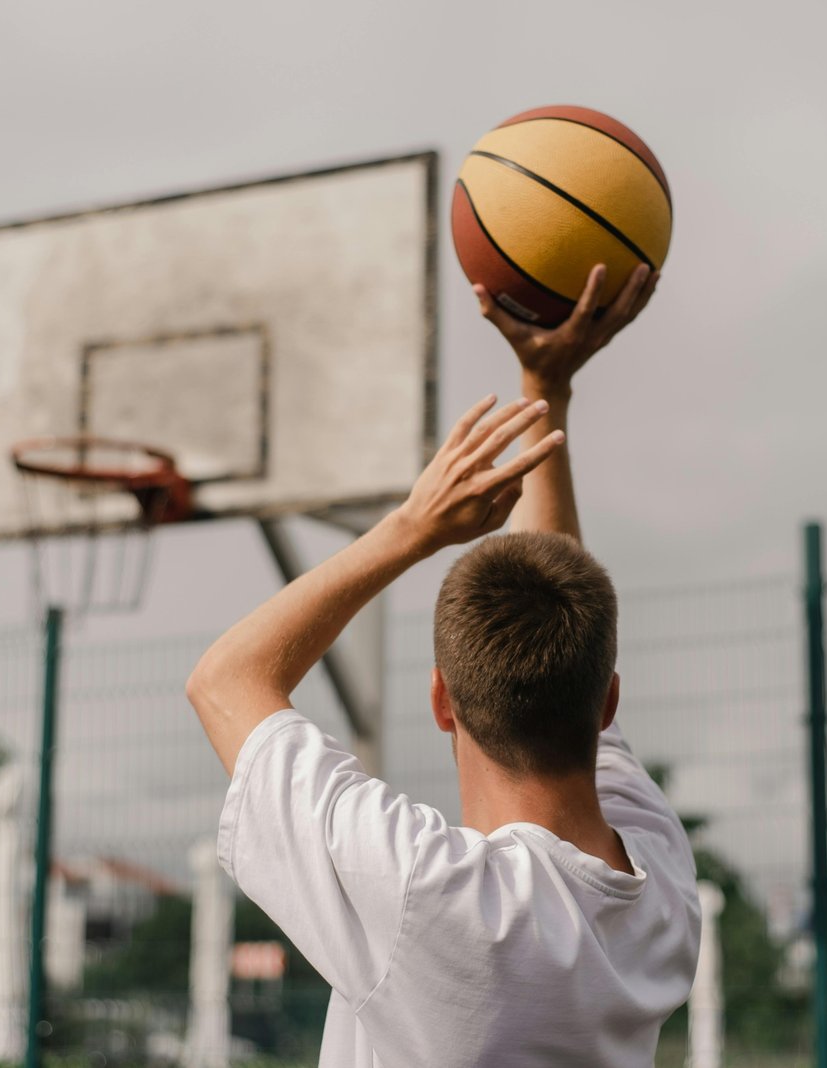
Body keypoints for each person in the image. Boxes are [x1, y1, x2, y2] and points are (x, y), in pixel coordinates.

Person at [186, 262, 700, 1067]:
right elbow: (560, 599)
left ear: (442, 701)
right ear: (605, 704)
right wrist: (545, 387)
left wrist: (413, 528)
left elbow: (223, 680)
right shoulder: (658, 879)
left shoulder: (427, 894)